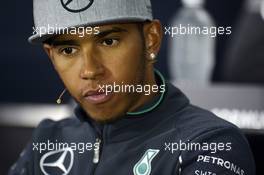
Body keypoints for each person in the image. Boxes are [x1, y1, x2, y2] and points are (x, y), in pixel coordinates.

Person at [9, 0, 255, 174]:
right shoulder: (48, 139)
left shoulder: (208, 144)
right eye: (68, 50)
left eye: (108, 41)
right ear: (52, 57)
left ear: (151, 39)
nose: (90, 70)